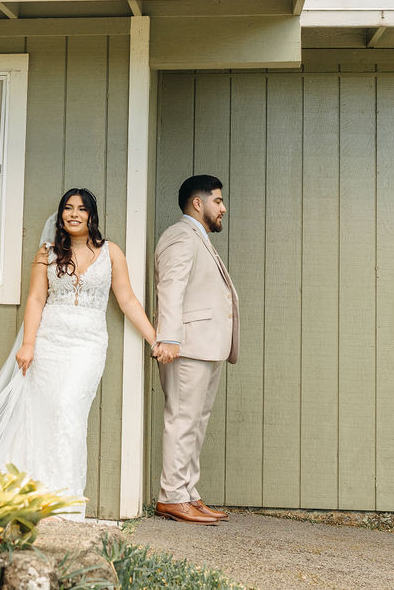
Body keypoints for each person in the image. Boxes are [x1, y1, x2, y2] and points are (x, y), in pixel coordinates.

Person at [0, 188, 157, 520]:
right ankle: (32, 494)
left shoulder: (111, 252)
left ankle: (65, 501)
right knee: (40, 415)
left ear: (91, 216)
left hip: (87, 343)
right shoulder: (48, 252)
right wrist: (28, 344)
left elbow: (126, 300)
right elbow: (35, 300)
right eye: (68, 208)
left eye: (81, 209)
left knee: (69, 410)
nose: (74, 214)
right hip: (49, 342)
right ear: (60, 214)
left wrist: (153, 339)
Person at [152, 175, 239, 526]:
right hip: (186, 345)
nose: (223, 207)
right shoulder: (180, 236)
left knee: (197, 422)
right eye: (217, 200)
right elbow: (170, 286)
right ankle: (171, 497)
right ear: (198, 204)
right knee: (183, 420)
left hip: (206, 346)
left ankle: (188, 493)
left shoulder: (199, 238)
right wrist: (169, 337)